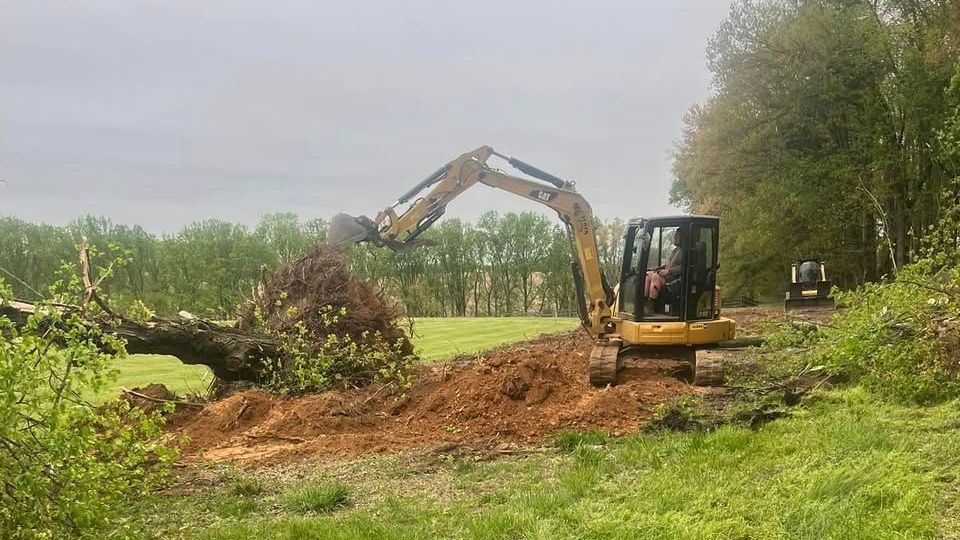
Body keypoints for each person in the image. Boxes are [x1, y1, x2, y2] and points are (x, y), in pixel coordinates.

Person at [644, 229, 682, 309]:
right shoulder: (676, 250)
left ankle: (651, 305)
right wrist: (658, 268)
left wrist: (669, 271)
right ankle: (643, 301)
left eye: (677, 235)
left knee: (656, 277)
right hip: (669, 275)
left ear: (682, 237)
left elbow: (684, 267)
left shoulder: (686, 251)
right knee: (648, 275)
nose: (674, 237)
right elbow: (670, 264)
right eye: (675, 235)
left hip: (676, 278)